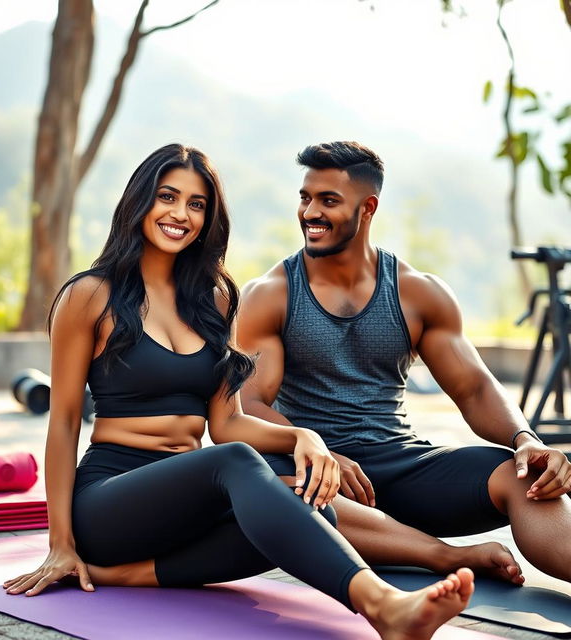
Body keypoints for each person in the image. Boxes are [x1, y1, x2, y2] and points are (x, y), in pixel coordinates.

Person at [3, 144, 474, 640]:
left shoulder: (216, 298)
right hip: (108, 501)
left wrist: (302, 438)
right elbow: (63, 422)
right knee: (235, 461)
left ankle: (118, 576)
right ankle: (382, 606)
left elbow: (224, 422)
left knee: (313, 506)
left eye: (197, 204)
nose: (180, 214)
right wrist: (61, 543)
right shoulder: (89, 296)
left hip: (183, 503)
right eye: (167, 197)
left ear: (208, 219)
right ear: (140, 201)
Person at [238, 140, 571, 584]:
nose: (310, 212)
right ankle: (444, 556)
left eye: (328, 200)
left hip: (400, 466)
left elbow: (474, 388)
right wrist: (319, 450)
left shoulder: (417, 292)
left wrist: (526, 439)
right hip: (311, 474)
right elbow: (248, 404)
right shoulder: (270, 294)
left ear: (367, 207)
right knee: (264, 487)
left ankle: (398, 538)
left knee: (524, 474)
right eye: (305, 197)